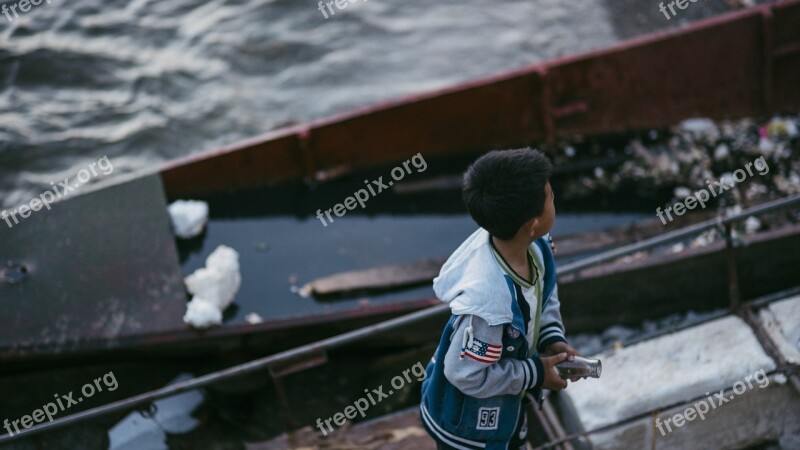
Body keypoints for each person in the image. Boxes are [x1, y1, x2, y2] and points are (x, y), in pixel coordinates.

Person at [420, 148, 580, 450]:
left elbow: (543, 294)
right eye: (551, 198)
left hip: (509, 402)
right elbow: (464, 374)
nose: (555, 201)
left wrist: (550, 338)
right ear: (532, 223)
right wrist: (535, 373)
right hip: (468, 426)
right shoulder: (487, 307)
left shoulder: (537, 248)